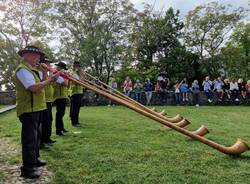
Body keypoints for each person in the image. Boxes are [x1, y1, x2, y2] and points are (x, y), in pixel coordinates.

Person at [14, 46, 57, 179]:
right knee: (29, 140)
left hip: (36, 108)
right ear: (26, 55)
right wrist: (49, 80)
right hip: (28, 109)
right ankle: (27, 169)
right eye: (35, 55)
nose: (38, 58)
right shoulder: (22, 70)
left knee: (37, 137)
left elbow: (43, 82)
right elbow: (33, 88)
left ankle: (34, 160)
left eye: (38, 56)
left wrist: (46, 72)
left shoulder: (33, 70)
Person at [40, 57, 56, 145]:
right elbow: (46, 81)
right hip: (43, 100)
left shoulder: (46, 72)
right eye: (47, 63)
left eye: (49, 63)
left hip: (49, 100)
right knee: (44, 121)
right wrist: (50, 72)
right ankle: (42, 140)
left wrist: (54, 73)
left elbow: (51, 82)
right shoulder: (41, 71)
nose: (49, 65)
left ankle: (47, 138)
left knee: (49, 120)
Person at [53, 62, 69, 136]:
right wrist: (63, 76)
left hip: (63, 95)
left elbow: (66, 83)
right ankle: (58, 130)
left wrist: (65, 76)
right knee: (59, 114)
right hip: (58, 97)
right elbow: (65, 83)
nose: (57, 68)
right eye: (57, 67)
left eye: (58, 67)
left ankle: (61, 128)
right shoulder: (56, 74)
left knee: (61, 114)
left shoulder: (64, 75)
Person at [70, 61, 84, 127]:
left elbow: (82, 81)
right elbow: (78, 82)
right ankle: (74, 122)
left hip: (79, 92)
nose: (79, 68)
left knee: (77, 108)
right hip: (75, 93)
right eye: (77, 66)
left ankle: (76, 121)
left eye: (79, 66)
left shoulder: (78, 74)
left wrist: (82, 75)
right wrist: (81, 75)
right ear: (74, 66)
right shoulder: (73, 73)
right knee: (75, 108)